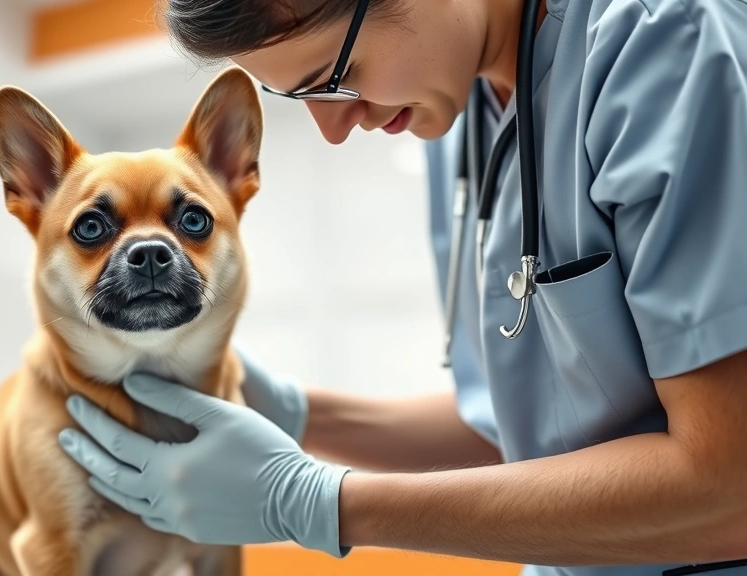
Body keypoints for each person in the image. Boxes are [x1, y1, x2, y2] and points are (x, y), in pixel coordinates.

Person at [56, 0, 747, 574]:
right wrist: (294, 411)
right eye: (297, 96)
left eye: (338, 74)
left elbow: (729, 489)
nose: (332, 127)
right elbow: (520, 437)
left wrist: (322, 504)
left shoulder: (662, 43)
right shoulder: (450, 115)